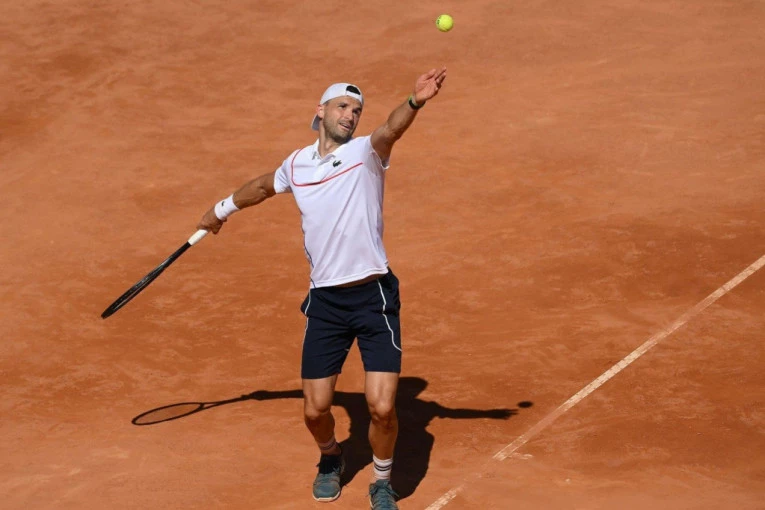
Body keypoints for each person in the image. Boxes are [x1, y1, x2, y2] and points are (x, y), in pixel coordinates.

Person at [196, 67, 447, 510]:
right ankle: (331, 456)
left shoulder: (366, 153)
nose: (351, 115)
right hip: (326, 303)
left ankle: (381, 481)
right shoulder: (296, 165)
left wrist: (415, 101)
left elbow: (390, 129)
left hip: (373, 299)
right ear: (321, 111)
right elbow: (262, 187)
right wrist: (220, 210)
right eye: (343, 107)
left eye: (357, 110)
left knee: (382, 408)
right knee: (314, 410)